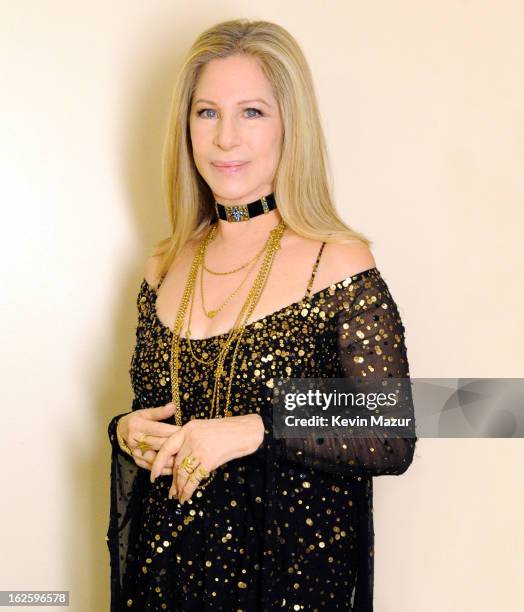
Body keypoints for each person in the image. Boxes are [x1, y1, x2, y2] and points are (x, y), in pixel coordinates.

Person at [106, 18, 417, 611]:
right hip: (165, 580)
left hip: (282, 587)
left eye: (251, 112)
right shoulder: (163, 264)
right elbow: (164, 417)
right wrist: (127, 432)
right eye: (206, 112)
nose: (225, 138)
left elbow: (393, 428)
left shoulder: (335, 260)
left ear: (288, 126)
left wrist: (257, 427)